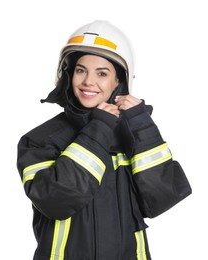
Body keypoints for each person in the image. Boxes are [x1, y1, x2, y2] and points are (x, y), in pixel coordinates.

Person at [17, 20, 191, 260]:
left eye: (102, 73)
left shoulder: (133, 133)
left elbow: (161, 198)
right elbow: (55, 202)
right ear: (68, 75)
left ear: (118, 81)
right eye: (80, 70)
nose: (89, 81)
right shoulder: (40, 140)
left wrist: (142, 126)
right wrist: (99, 128)